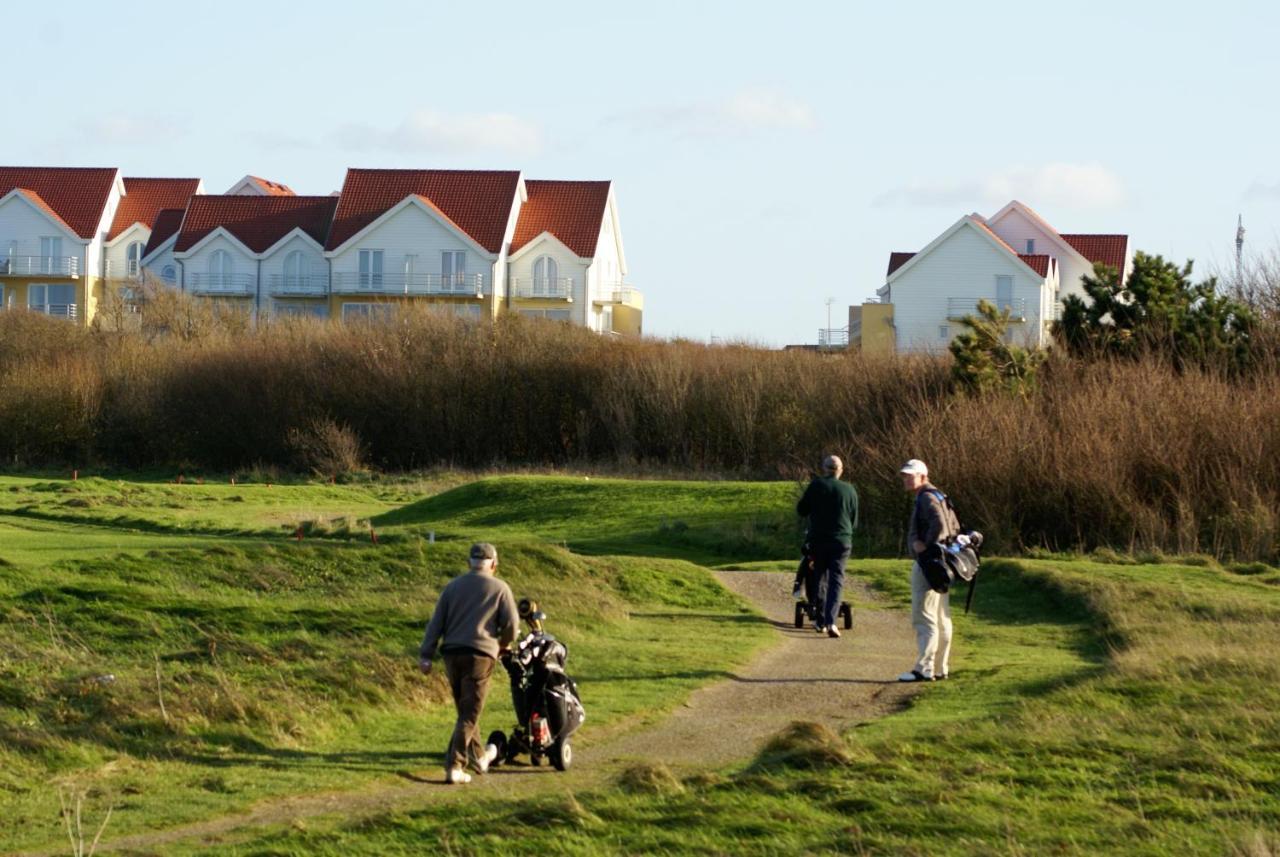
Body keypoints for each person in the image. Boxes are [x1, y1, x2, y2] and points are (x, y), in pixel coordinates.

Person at [419, 542, 520, 784]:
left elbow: (436, 624)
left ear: (469, 563)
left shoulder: (452, 587)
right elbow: (512, 627)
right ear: (494, 564)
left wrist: (426, 654)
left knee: (465, 711)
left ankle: (478, 757)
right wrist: (503, 645)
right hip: (480, 655)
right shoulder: (500, 588)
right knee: (469, 713)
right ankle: (454, 766)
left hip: (452, 654)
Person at [897, 459, 960, 683]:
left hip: (929, 563)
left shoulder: (926, 497)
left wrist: (925, 546)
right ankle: (940, 667)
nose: (905, 479)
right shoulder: (939, 495)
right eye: (904, 475)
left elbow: (940, 525)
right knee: (942, 617)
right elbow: (954, 526)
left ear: (923, 477)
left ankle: (924, 669)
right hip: (943, 564)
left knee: (924, 617)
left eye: (910, 475)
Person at [795, 454, 859, 638]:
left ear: (824, 469)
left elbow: (802, 510)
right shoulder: (850, 490)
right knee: (836, 580)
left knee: (819, 577)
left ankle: (820, 620)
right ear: (841, 470)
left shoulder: (817, 485)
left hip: (818, 540)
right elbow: (853, 521)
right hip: (842, 541)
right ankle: (831, 621)